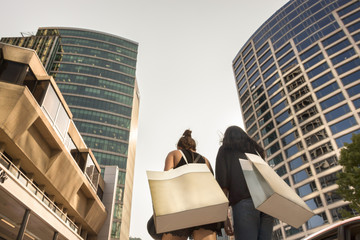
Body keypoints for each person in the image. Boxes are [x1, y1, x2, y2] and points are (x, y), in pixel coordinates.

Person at [215, 126, 274, 240]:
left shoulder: (225, 151)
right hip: (267, 203)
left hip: (244, 202)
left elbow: (223, 186)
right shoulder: (255, 152)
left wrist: (224, 217)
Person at [161, 129, 218, 240]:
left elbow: (166, 180)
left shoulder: (174, 154)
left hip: (180, 207)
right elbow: (213, 189)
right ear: (195, 149)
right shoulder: (206, 160)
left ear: (179, 147)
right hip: (205, 208)